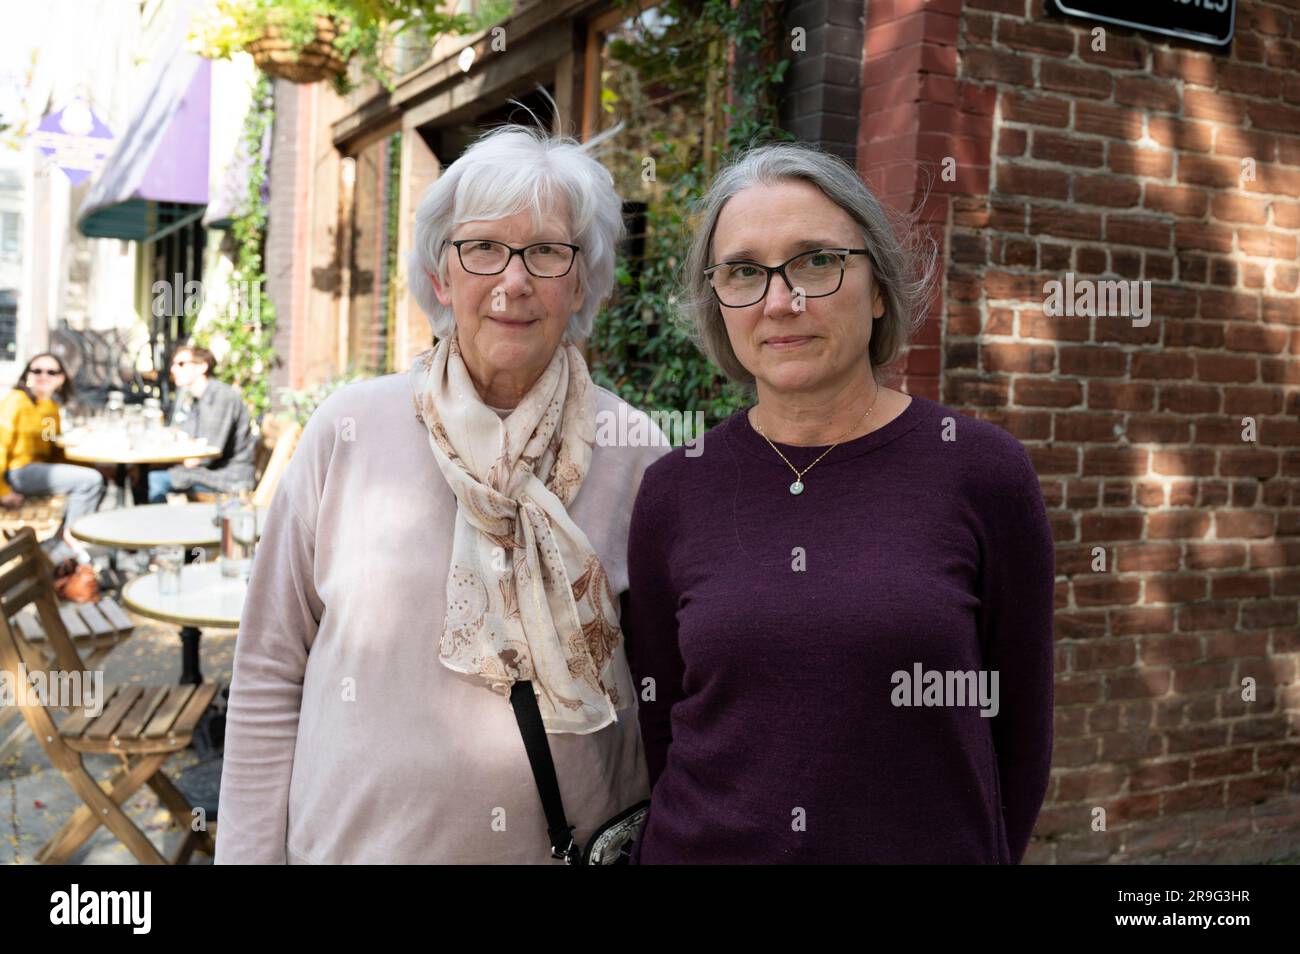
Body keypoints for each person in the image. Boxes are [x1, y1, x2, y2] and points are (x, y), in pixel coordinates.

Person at [215, 124, 667, 864]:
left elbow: (671, 694)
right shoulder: (348, 432)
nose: (513, 281)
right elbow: (268, 668)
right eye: (482, 248)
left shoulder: (637, 454)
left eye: (548, 252)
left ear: (582, 281)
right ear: (440, 276)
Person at [624, 143, 1056, 864]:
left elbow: (1019, 732)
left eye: (816, 262)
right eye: (742, 272)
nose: (780, 301)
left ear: (879, 286)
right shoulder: (676, 488)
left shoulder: (981, 472)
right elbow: (660, 725)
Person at [0, 353, 106, 563]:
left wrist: (93, 465)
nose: (43, 376)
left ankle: (60, 540)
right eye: (36, 370)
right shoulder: (16, 400)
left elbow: (54, 451)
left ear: (61, 378)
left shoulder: (49, 408)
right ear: (27, 374)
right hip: (18, 472)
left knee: (98, 479)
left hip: (39, 470)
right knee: (90, 480)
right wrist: (2, 490)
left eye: (51, 372)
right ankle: (69, 542)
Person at [144, 344, 255, 502]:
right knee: (143, 473)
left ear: (202, 366)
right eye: (173, 364)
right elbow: (183, 434)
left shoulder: (220, 397)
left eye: (181, 364)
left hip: (228, 478)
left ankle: (155, 525)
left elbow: (207, 453)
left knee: (155, 479)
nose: (173, 370)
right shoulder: (198, 398)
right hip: (209, 471)